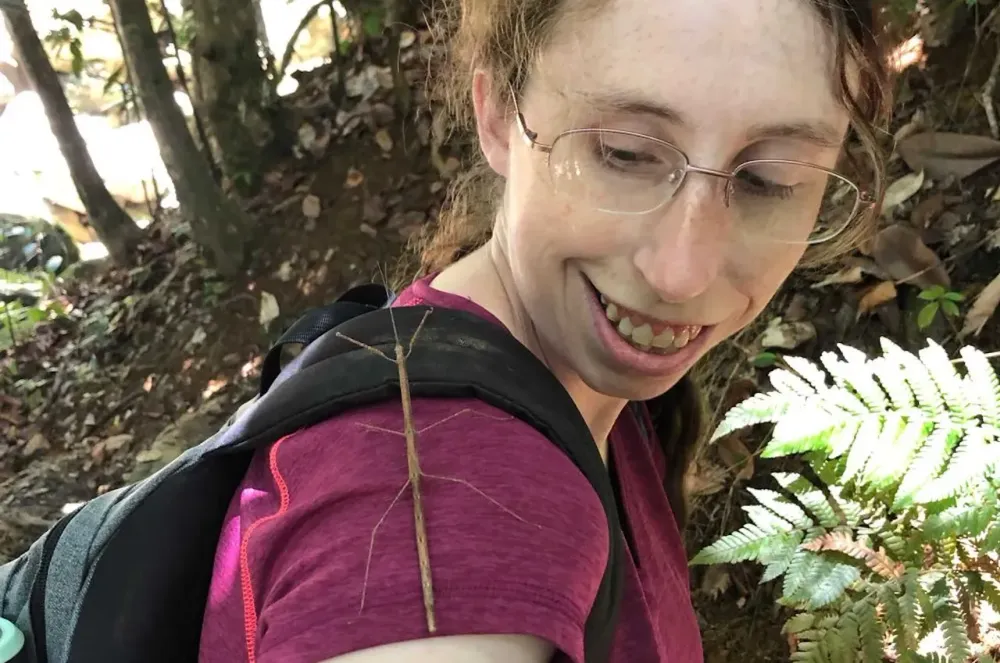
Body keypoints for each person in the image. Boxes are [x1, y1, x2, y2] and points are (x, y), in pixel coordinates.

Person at [197, 0, 892, 661]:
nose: (683, 273)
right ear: (498, 112)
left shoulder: (585, 386)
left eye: (769, 180)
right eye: (622, 153)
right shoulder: (452, 494)